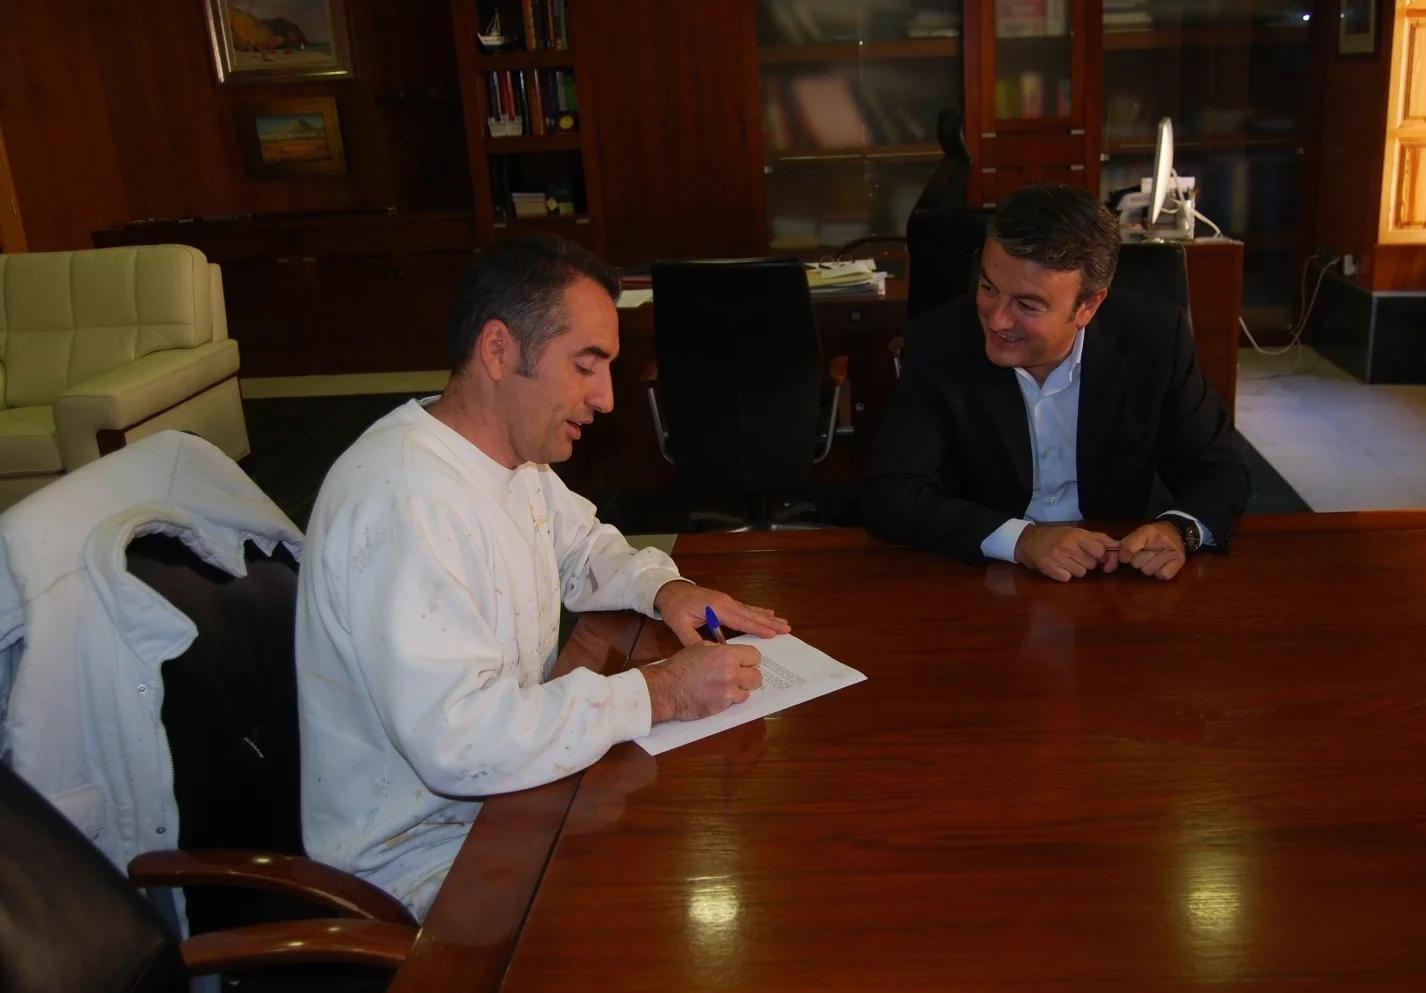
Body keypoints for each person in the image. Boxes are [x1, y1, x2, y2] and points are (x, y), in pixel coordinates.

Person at [296, 236, 791, 919]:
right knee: (662, 902)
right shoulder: (405, 499)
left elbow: (583, 548)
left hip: (507, 801)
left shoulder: (510, 458)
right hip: (426, 858)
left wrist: (667, 589)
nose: (608, 397)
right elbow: (462, 741)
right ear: (498, 351)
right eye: (586, 365)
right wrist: (661, 691)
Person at [863, 184, 1250, 582]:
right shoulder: (939, 341)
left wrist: (1177, 529)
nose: (996, 320)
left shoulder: (1153, 339)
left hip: (1121, 568)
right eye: (988, 288)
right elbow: (892, 493)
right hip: (989, 575)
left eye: (1027, 305)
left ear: (1088, 306)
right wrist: (1022, 541)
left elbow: (1219, 469)